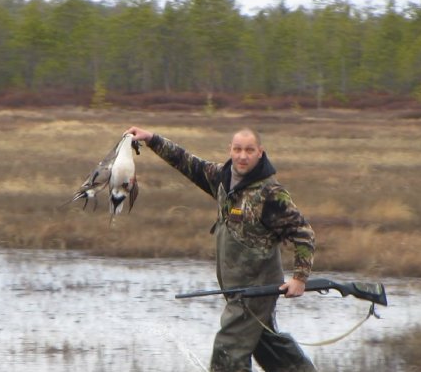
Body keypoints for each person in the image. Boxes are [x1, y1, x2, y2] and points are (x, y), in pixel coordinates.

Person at [125, 126, 316, 372]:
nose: (242, 156)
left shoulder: (270, 194)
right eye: (237, 149)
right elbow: (187, 162)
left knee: (228, 352)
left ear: (260, 153)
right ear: (230, 151)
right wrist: (151, 139)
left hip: (256, 291)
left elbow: (303, 233)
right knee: (268, 346)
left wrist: (300, 278)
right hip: (236, 288)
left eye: (249, 150)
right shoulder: (223, 179)